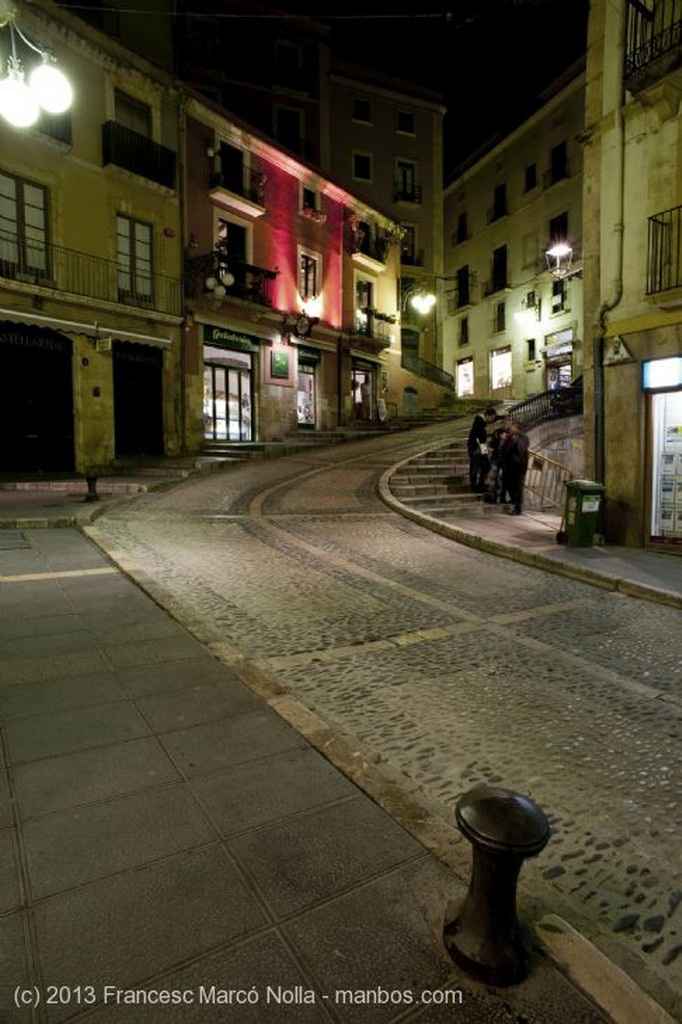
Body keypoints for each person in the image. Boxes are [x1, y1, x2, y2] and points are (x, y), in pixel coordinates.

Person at [500, 420, 529, 515]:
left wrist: (504, 441)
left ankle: (517, 507)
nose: (510, 428)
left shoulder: (517, 438)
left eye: (512, 427)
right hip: (515, 465)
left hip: (516, 465)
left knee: (516, 486)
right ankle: (515, 502)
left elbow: (509, 450)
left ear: (517, 428)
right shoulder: (518, 437)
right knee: (511, 484)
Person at [467, 407, 498, 493]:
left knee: (484, 466)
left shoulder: (480, 422)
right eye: (492, 418)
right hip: (477, 449)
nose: (492, 420)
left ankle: (478, 485)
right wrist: (484, 450)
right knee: (478, 467)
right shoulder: (479, 423)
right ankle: (476, 486)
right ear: (488, 415)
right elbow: (480, 439)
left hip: (478, 448)